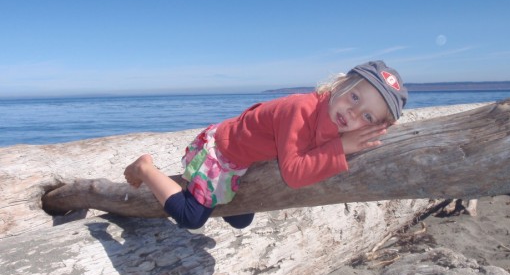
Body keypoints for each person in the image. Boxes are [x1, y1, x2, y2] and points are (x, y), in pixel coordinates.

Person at [124, 60, 408, 230]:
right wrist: (341, 148)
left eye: (368, 117)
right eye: (355, 97)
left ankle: (198, 190)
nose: (353, 113)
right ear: (341, 84)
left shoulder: (334, 117)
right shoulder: (301, 109)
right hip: (221, 153)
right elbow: (295, 174)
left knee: (239, 221)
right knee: (191, 217)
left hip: (246, 162)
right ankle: (146, 168)